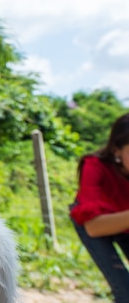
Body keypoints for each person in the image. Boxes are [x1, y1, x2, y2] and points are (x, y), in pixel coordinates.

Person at [70, 112, 129, 302]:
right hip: (93, 222)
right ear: (116, 150)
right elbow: (94, 228)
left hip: (124, 222)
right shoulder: (94, 166)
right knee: (125, 290)